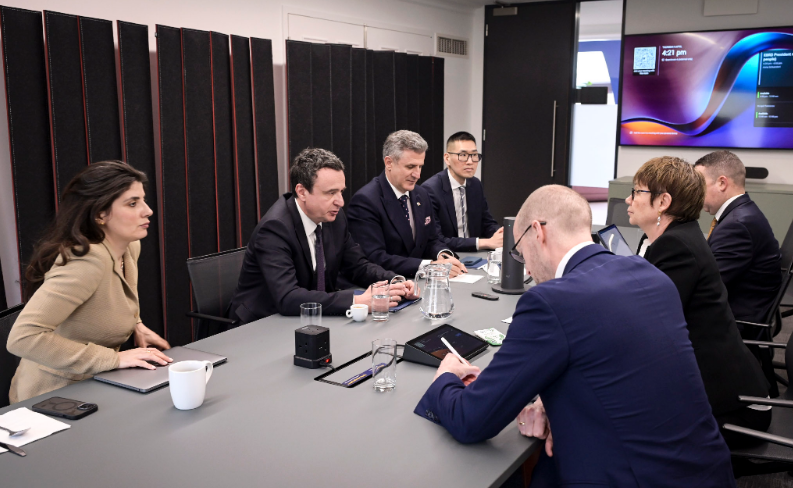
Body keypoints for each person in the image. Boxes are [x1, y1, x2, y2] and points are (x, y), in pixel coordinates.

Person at [414, 185, 735, 487]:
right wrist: (551, 402)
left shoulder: (551, 302)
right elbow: (627, 370)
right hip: (710, 470)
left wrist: (446, 377)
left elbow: (472, 419)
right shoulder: (651, 276)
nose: (526, 269)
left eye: (520, 253)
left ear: (537, 232)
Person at [626, 156, 771, 446]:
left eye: (636, 191)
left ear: (663, 202)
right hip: (726, 391)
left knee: (622, 427)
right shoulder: (677, 236)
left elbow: (645, 324)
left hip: (735, 410)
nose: (629, 199)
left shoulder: (675, 245)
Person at [7, 161, 172, 404]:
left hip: (97, 384)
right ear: (100, 214)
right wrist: (114, 359)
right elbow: (23, 338)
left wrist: (136, 323)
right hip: (53, 397)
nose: (148, 211)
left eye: (143, 200)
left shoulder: (128, 247)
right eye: (132, 203)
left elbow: (113, 296)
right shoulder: (85, 262)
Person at [228, 148, 416, 324]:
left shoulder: (333, 218)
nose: (340, 202)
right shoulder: (275, 229)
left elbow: (358, 266)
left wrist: (395, 281)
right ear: (302, 192)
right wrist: (358, 300)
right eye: (331, 193)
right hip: (261, 324)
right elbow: (288, 297)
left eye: (341, 191)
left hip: (311, 318)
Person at [347, 130, 467, 278]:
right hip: (390, 283)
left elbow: (431, 239)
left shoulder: (422, 194)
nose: (417, 175)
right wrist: (428, 267)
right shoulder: (366, 201)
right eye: (410, 167)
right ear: (389, 163)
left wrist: (443, 255)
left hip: (421, 281)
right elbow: (374, 257)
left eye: (420, 167)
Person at [693, 150, 782, 332]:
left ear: (722, 183)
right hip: (742, 310)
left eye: (699, 185)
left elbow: (708, 287)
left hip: (735, 324)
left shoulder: (737, 225)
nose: (695, 193)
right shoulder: (743, 213)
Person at [422, 131, 502, 252]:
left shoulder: (475, 184)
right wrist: (484, 242)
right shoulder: (430, 190)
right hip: (449, 254)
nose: (470, 161)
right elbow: (437, 239)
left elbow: (487, 222)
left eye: (474, 155)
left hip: (476, 254)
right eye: (463, 155)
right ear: (447, 158)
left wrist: (500, 233)